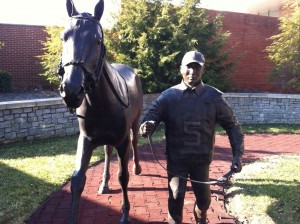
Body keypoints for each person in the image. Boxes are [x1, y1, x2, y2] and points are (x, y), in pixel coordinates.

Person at [139, 50, 244, 224]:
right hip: (176, 159)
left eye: (197, 68)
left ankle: (200, 212)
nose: (192, 72)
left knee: (204, 200)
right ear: (181, 69)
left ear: (203, 70)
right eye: (188, 67)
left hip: (201, 159)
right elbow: (149, 119)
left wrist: (237, 154)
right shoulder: (167, 97)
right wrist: (146, 127)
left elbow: (233, 126)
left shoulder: (214, 97)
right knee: (175, 196)